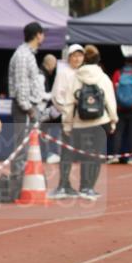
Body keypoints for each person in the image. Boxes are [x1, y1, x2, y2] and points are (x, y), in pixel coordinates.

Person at [61, 44, 117, 199]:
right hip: (100, 121)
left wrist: (67, 124)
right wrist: (113, 121)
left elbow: (68, 103)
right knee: (97, 155)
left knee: (85, 154)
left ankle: (82, 186)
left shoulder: (75, 77)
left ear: (84, 59)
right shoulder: (104, 78)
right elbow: (110, 102)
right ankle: (88, 187)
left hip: (80, 122)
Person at [7, 22, 46, 188]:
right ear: (38, 35)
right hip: (25, 108)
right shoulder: (23, 55)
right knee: (22, 146)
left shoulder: (27, 54)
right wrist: (28, 108)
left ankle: (25, 181)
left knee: (28, 145)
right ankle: (18, 183)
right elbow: (21, 84)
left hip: (29, 106)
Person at [48, 44, 85, 197]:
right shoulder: (63, 73)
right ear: (69, 57)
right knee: (67, 152)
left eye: (80, 55)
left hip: (83, 120)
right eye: (74, 55)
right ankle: (63, 184)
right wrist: (67, 111)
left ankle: (82, 186)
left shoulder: (85, 73)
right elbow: (56, 96)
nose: (77, 58)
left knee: (82, 153)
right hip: (69, 120)